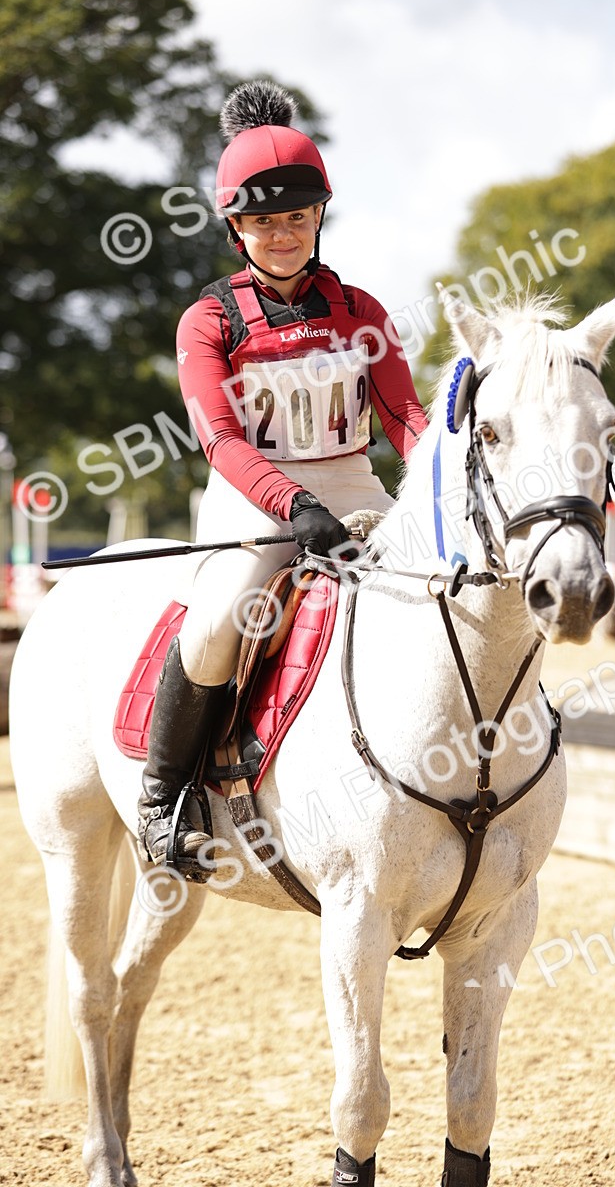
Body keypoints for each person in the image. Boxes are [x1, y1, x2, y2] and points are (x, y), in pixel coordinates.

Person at [137, 81, 428, 875]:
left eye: (297, 217)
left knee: (442, 585)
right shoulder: (209, 321)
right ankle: (164, 800)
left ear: (319, 216)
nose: (283, 235)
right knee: (218, 619)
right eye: (264, 222)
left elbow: (405, 417)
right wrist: (292, 502)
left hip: (357, 490)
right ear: (235, 227)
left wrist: (440, 476)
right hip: (252, 501)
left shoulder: (360, 310)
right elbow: (220, 440)